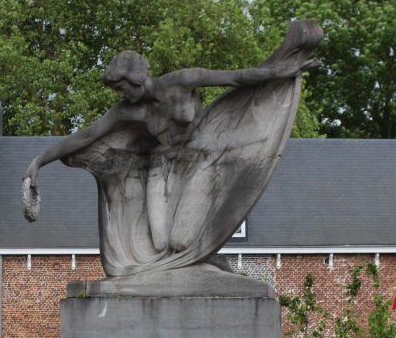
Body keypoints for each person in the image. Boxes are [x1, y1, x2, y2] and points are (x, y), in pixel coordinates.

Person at [23, 19, 323, 278]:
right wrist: (39, 161)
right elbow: (85, 136)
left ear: (136, 78)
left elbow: (238, 77)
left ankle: (210, 260)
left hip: (200, 160)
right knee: (158, 244)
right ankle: (180, 272)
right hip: (161, 167)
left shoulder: (181, 82)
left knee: (181, 241)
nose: (119, 94)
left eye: (121, 86)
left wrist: (284, 69)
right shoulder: (126, 111)